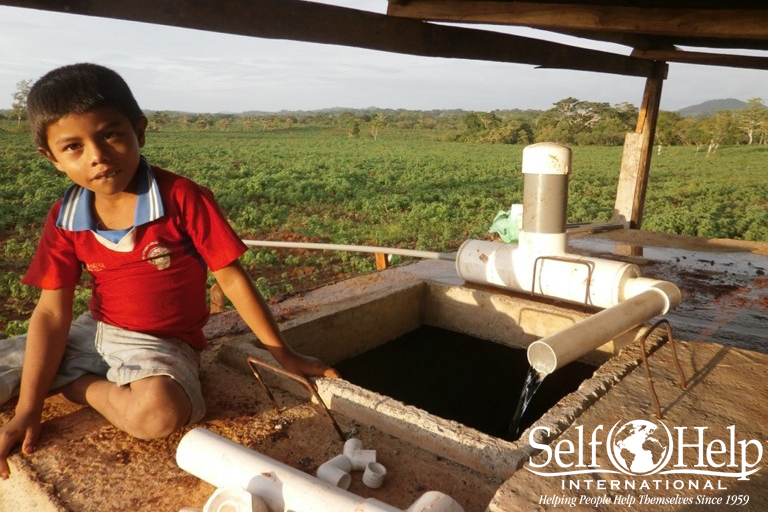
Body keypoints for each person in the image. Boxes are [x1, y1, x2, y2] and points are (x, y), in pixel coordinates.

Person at [0, 63, 339, 479]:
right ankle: (57, 369)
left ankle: (74, 382)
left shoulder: (181, 198)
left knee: (157, 415)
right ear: (51, 158)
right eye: (73, 147)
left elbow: (231, 278)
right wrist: (27, 411)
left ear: (139, 130)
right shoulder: (66, 217)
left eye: (110, 134)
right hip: (94, 328)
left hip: (161, 342)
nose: (98, 156)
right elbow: (52, 312)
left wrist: (281, 353)